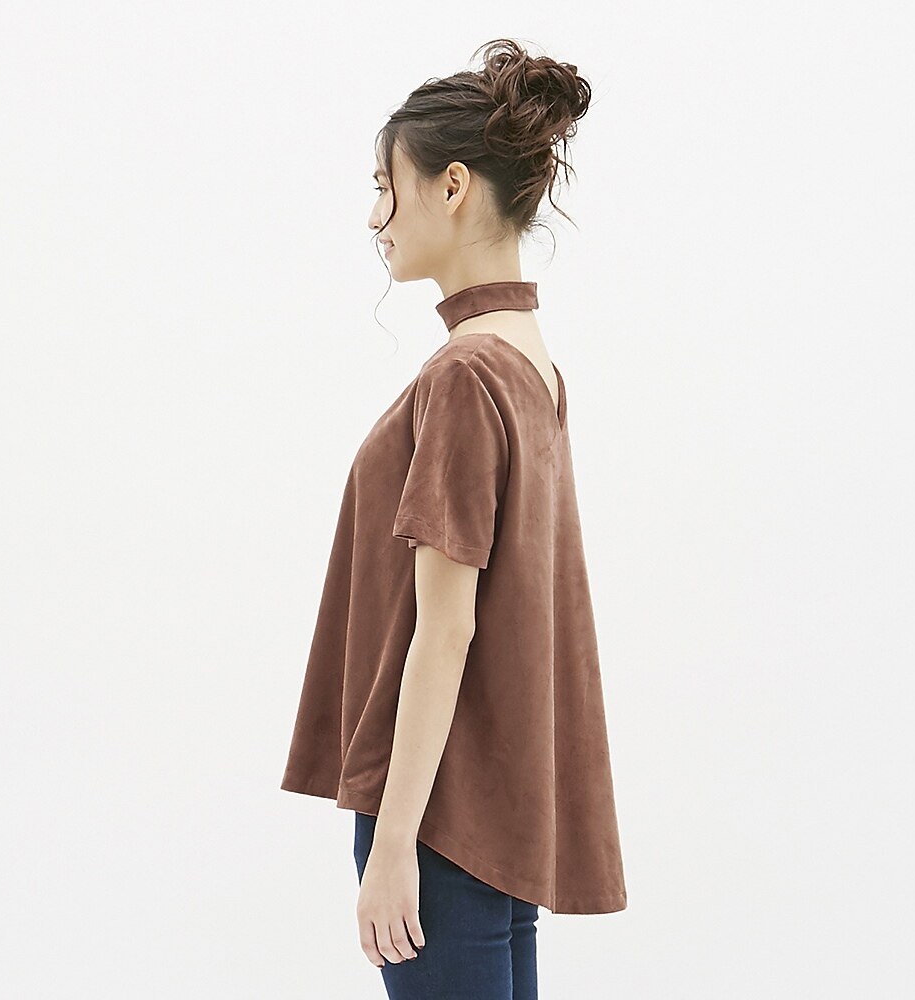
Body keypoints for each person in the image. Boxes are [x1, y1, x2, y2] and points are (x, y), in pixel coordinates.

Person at [280, 38, 627, 1000]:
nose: (374, 217)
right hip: (500, 811)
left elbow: (447, 628)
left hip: (439, 816)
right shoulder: (530, 362)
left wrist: (392, 845)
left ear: (454, 186)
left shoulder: (467, 373)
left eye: (384, 187)